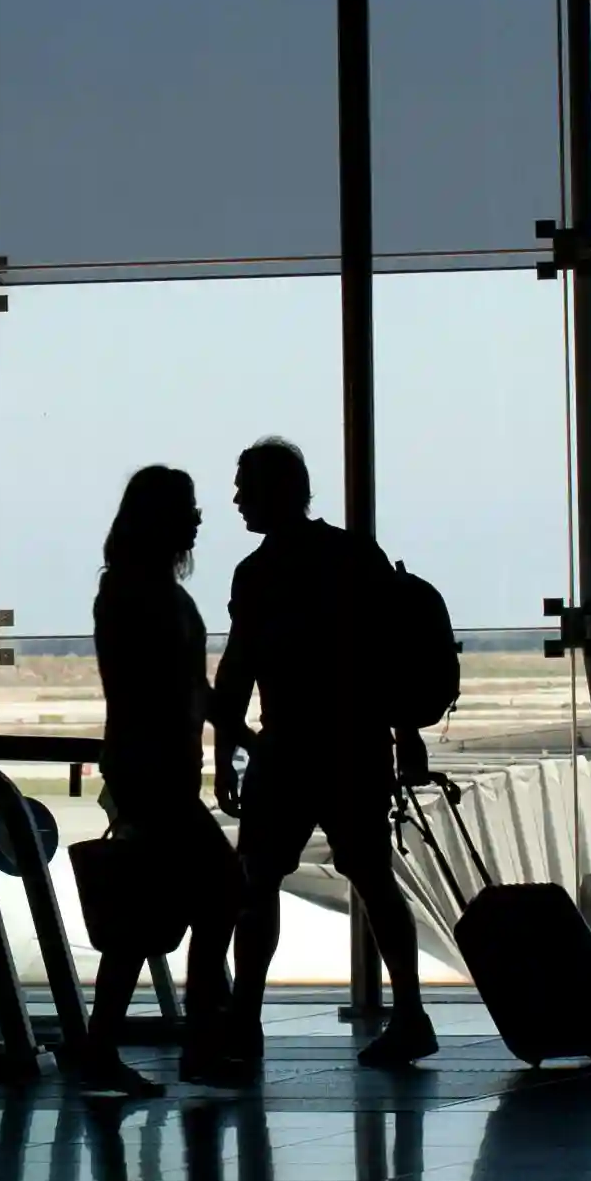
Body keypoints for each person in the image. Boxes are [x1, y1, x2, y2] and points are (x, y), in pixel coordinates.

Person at [206, 436, 432, 1083]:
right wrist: (405, 732)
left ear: (276, 491)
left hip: (287, 751)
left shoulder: (257, 575)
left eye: (246, 485)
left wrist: (226, 753)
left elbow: (237, 672)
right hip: (354, 747)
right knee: (373, 878)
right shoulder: (352, 557)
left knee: (257, 886)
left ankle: (245, 1022)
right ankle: (409, 1011)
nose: (237, 498)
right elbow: (386, 654)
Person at [75, 464, 229, 1096]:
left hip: (155, 769)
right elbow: (173, 687)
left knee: (145, 916)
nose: (198, 519)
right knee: (220, 889)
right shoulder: (145, 594)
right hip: (156, 771)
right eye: (188, 508)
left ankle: (110, 1045)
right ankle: (197, 1038)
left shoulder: (137, 589)